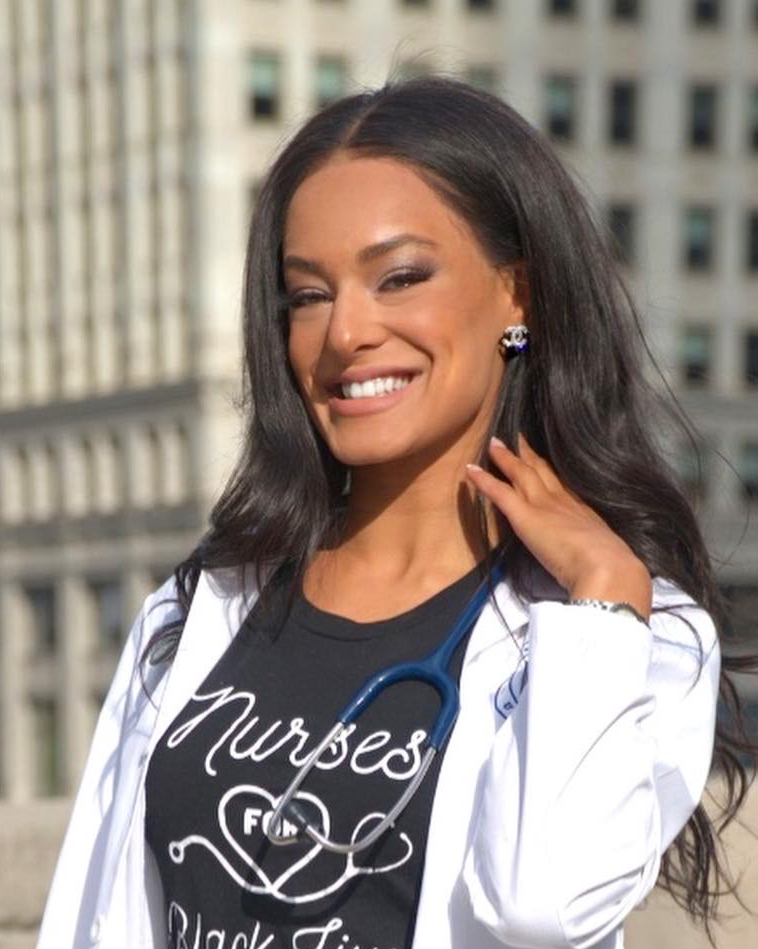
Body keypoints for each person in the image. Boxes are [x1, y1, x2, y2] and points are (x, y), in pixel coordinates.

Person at [37, 76, 754, 949]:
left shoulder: (635, 635)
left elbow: (542, 908)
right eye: (308, 295)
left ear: (517, 293)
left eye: (400, 277)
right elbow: (94, 916)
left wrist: (602, 595)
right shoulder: (206, 606)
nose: (345, 333)